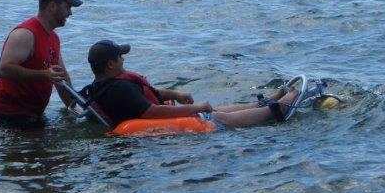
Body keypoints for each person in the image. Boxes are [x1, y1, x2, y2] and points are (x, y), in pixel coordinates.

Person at [79, 40, 299, 130]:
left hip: (150, 116)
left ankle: (267, 102)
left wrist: (174, 92)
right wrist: (196, 107)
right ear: (110, 64)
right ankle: (278, 108)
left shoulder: (99, 87)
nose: (123, 60)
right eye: (119, 57)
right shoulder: (119, 89)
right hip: (158, 124)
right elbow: (153, 111)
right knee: (218, 116)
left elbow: (144, 94)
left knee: (217, 109)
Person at [0, 0, 82, 128]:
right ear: (52, 6)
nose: (70, 13)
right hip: (8, 116)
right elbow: (4, 69)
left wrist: (77, 110)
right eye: (67, 7)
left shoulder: (54, 38)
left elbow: (60, 78)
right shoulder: (25, 34)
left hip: (33, 116)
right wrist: (44, 75)